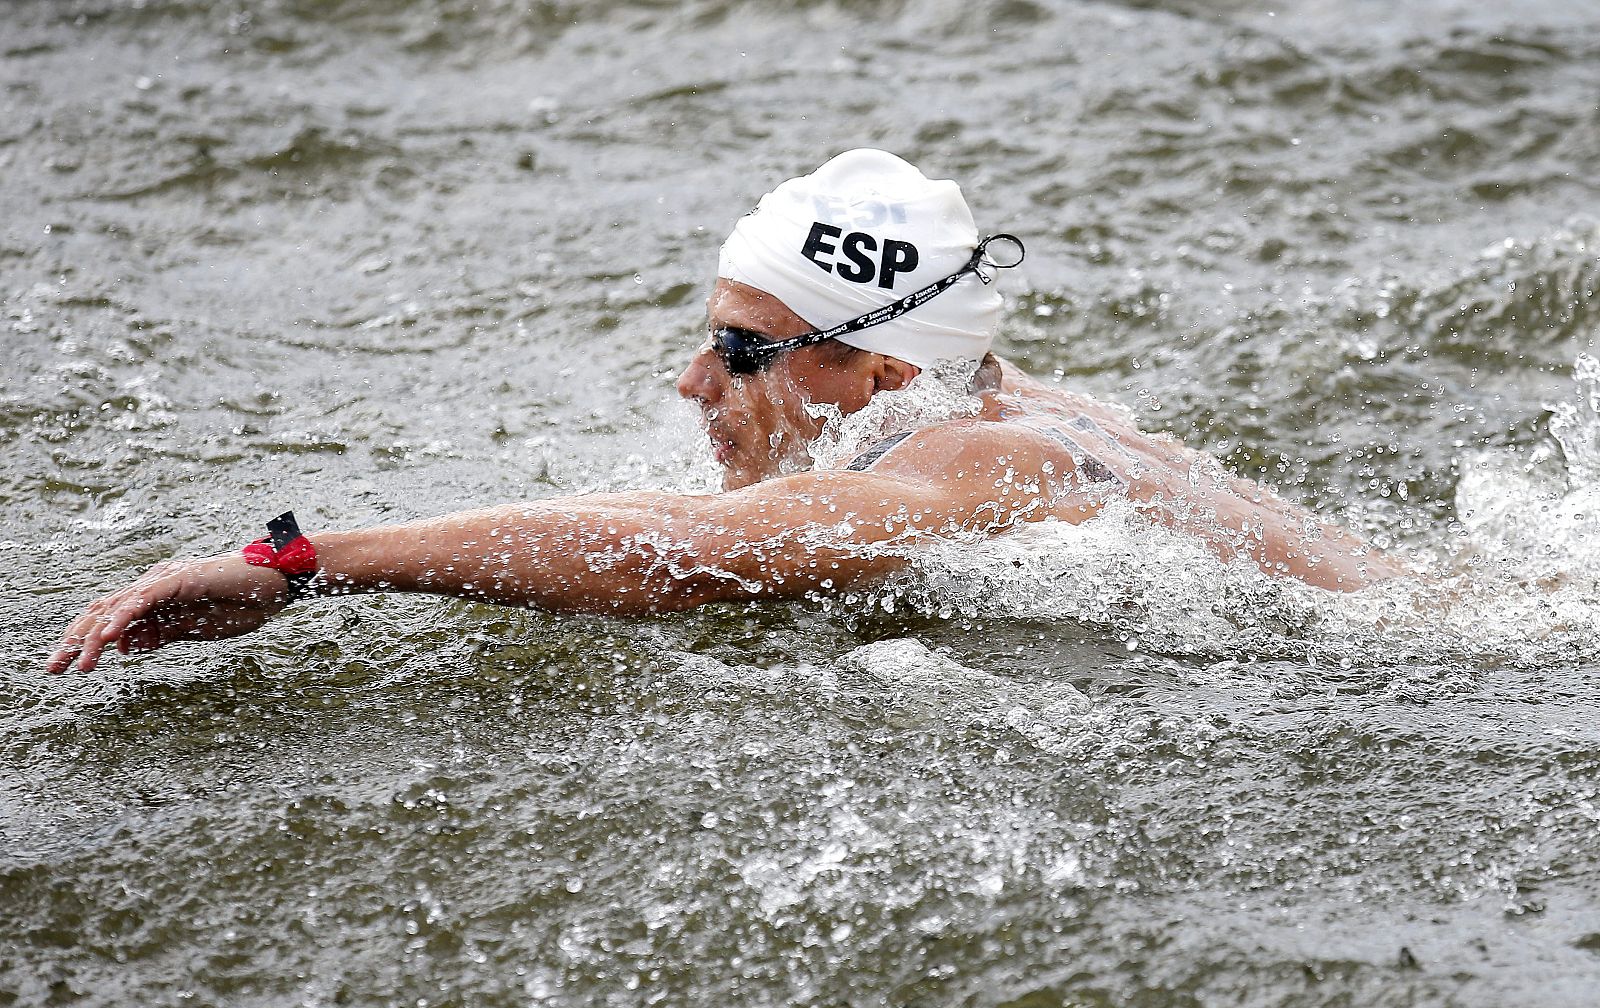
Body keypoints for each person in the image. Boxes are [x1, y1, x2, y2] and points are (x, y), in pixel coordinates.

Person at [46, 149, 1407, 675]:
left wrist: (301, 559)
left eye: (741, 349)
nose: (693, 385)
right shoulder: (1015, 407)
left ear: (877, 375)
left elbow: (673, 554)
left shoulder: (971, 458)